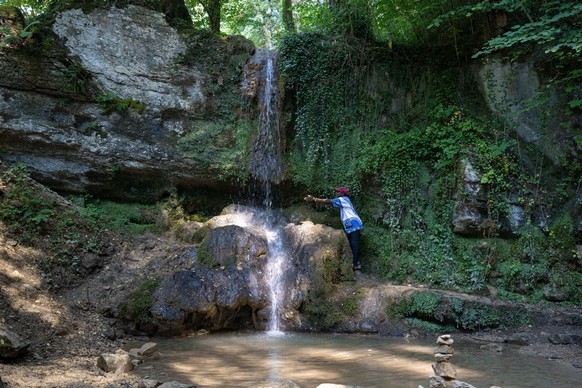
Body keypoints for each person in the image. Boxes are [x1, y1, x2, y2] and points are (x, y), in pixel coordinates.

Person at [304, 187, 363, 270]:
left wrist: (314, 199)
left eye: (338, 192)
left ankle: (355, 264)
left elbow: (329, 202)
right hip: (353, 224)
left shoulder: (343, 199)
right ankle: (355, 262)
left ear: (342, 194)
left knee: (354, 244)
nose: (336, 193)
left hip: (354, 224)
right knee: (351, 244)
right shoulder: (344, 200)